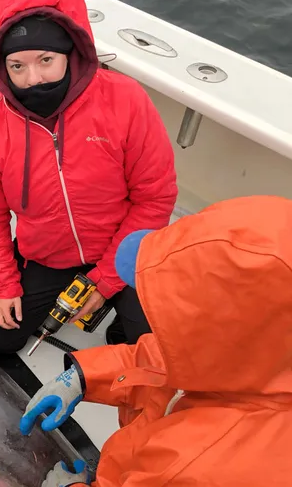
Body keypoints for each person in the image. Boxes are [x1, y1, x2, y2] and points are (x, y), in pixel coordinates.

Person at [0, 0, 178, 354]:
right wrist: (5, 285)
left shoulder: (125, 99)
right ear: (2, 66)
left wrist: (106, 281)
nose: (34, 79)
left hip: (124, 247)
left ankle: (122, 314)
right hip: (48, 257)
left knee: (155, 341)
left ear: (70, 52)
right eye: (18, 66)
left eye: (46, 60)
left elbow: (154, 199)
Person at [19, 194, 292, 486]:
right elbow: (163, 361)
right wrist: (84, 377)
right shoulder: (257, 361)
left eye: (177, 317)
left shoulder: (202, 467)